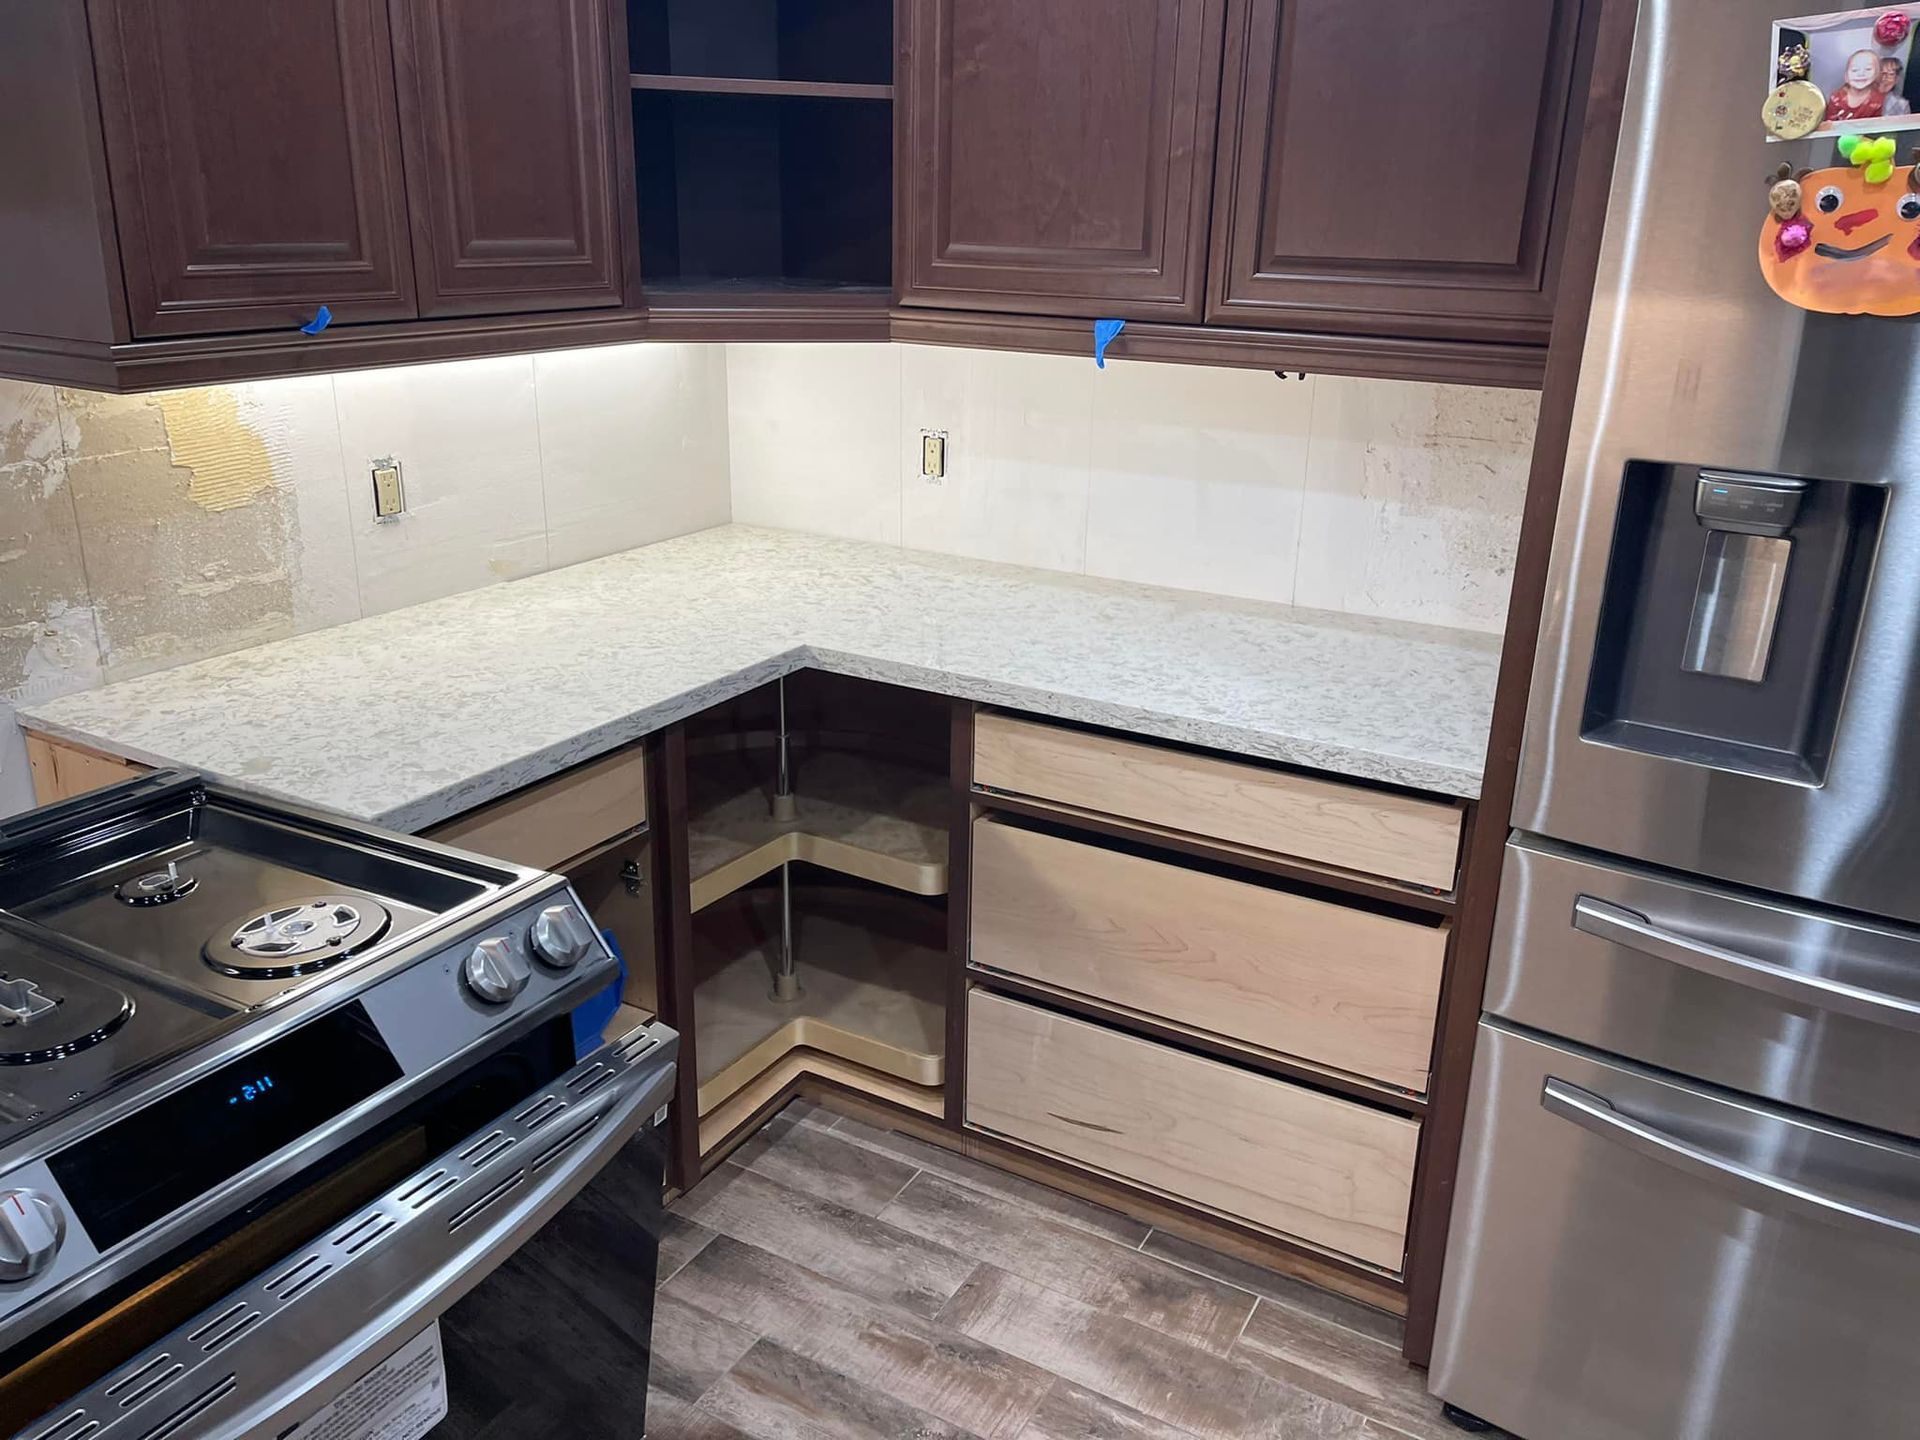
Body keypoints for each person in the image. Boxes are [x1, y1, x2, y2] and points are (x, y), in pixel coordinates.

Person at [1826, 47, 1888, 121]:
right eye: (1854, 70)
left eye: (1868, 69)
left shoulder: (1879, 100)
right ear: (1846, 76)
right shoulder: (1836, 98)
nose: (1861, 74)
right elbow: (1829, 124)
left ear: (1876, 74)